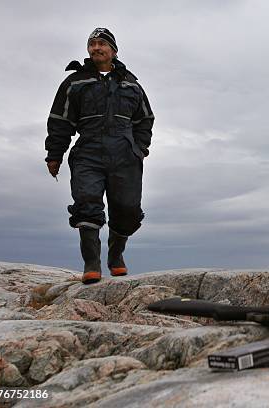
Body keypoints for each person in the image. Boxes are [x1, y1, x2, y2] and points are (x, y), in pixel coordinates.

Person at [45, 28, 155, 284]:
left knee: (127, 209)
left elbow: (145, 119)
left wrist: (140, 148)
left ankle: (115, 256)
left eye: (102, 44)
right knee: (87, 203)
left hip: (125, 155)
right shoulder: (75, 82)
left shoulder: (131, 83)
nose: (96, 48)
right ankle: (91, 263)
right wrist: (54, 154)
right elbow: (59, 120)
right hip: (88, 153)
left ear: (113, 51)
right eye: (92, 44)